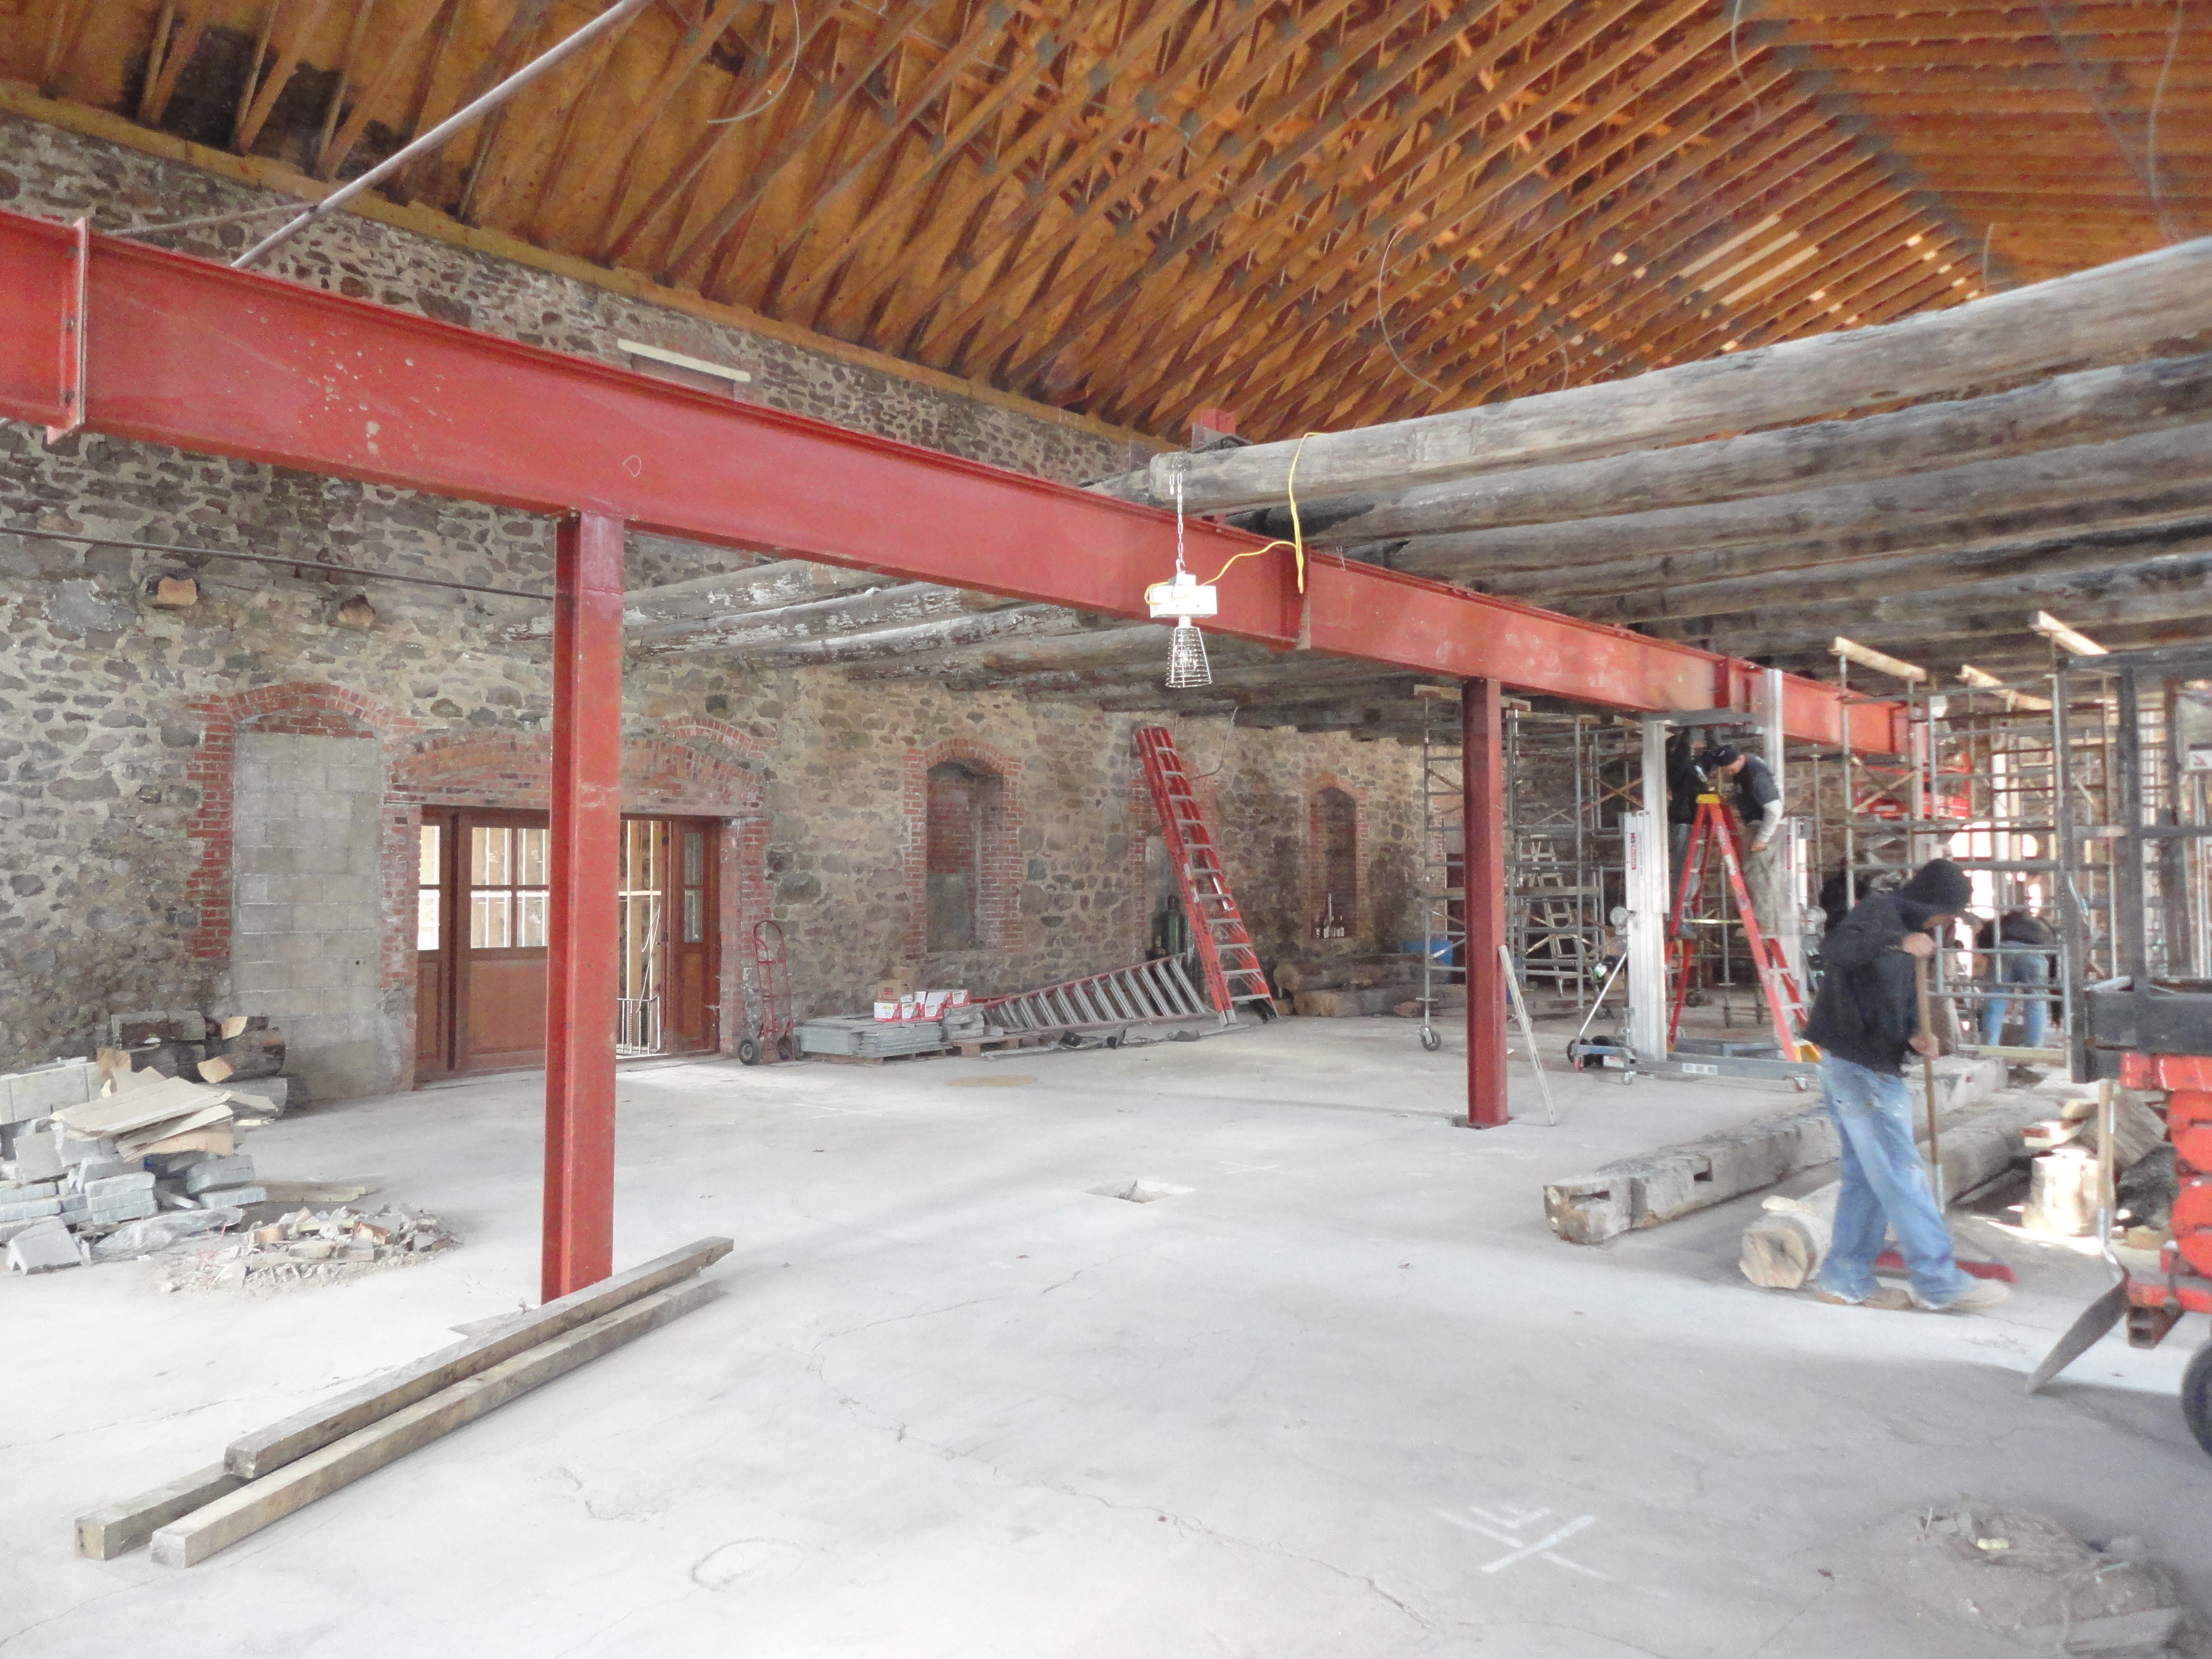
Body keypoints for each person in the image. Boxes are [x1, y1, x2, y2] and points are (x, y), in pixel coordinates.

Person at [1802, 858, 2009, 1312]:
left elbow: (1892, 995)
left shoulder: (1915, 935)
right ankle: (1940, 1282)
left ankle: (1844, 1279)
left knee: (1867, 1179)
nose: (1949, 923)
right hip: (1858, 1067)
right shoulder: (1881, 913)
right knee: (1901, 1174)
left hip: (1872, 1061)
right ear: (1932, 904)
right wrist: (1897, 942)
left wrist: (1915, 1035)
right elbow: (1837, 948)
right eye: (1949, 913)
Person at [1703, 743, 1785, 937]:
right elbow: (1748, 793)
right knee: (1761, 874)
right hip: (1758, 824)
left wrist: (1763, 838)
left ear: (1740, 759)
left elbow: (1775, 809)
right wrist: (1733, 798)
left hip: (1761, 825)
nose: (1727, 772)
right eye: (1724, 769)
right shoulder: (1747, 767)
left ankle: (1765, 924)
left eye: (1729, 768)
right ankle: (1767, 922)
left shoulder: (1755, 776)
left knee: (1758, 874)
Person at [1975, 905, 2057, 1050]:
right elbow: (2053, 961)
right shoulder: (2044, 927)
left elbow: (1983, 940)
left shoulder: (2001, 923)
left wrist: (1989, 955)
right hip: (2036, 954)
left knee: (1996, 997)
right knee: (2036, 1000)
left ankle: (1989, 1046)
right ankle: (2033, 1047)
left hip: (2005, 950)